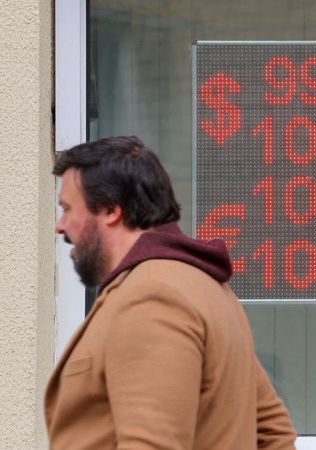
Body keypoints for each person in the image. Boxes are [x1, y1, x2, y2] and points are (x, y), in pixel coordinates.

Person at [45, 136, 296, 449]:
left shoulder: (151, 296)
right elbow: (273, 432)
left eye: (68, 209)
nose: (60, 225)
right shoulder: (206, 287)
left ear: (110, 209)